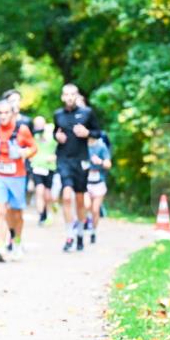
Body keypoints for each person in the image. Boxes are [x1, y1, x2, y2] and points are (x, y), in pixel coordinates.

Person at [0, 99, 37, 261]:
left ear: (12, 114)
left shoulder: (22, 129)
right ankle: (1, 245)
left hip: (17, 176)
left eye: (6, 113)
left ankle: (17, 242)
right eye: (0, 113)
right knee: (0, 209)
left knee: (16, 212)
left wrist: (25, 153)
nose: (3, 116)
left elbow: (34, 147)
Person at [53, 83, 102, 252]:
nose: (69, 97)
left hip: (81, 160)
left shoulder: (87, 113)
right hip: (64, 159)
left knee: (80, 199)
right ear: (62, 97)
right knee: (67, 196)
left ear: (77, 96)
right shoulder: (58, 114)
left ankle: (80, 233)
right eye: (66, 94)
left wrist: (87, 133)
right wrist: (57, 137)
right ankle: (69, 235)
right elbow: (56, 132)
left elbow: (98, 133)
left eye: (72, 94)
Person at [30, 115, 58, 225]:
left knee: (47, 194)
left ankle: (48, 212)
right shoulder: (33, 134)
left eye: (40, 124)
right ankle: (41, 216)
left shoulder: (52, 131)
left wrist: (55, 156)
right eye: (36, 125)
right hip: (37, 166)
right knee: (39, 191)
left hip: (49, 167)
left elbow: (61, 145)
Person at [86, 135, 112, 244]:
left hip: (98, 183)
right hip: (85, 182)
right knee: (86, 205)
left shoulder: (101, 146)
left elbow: (108, 164)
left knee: (95, 210)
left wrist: (100, 162)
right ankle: (86, 222)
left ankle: (93, 231)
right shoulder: (81, 145)